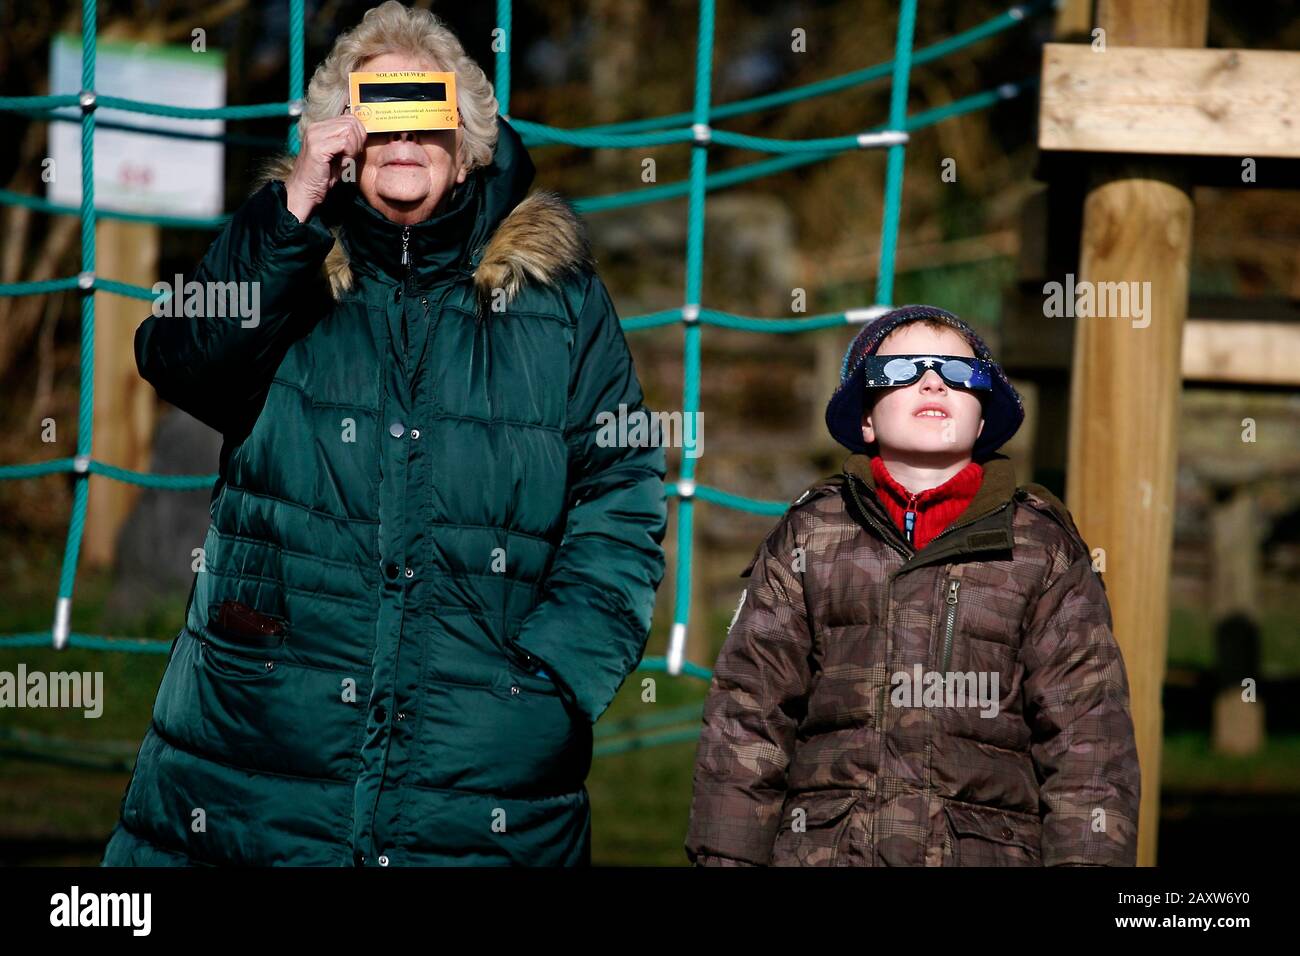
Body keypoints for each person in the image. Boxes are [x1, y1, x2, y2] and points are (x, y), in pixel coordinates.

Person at [102, 1, 666, 866]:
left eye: (424, 114)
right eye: (375, 115)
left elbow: (621, 494)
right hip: (256, 754)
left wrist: (552, 681)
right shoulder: (286, 265)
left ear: (470, 138)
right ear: (339, 135)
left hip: (482, 776)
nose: (401, 140)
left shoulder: (558, 297)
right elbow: (180, 358)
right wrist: (292, 207)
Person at [685, 304, 1140, 866]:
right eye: (900, 370)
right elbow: (748, 717)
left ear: (981, 418)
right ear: (866, 418)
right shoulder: (811, 537)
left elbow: (1088, 741)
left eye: (960, 373)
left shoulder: (1041, 551)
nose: (932, 380)